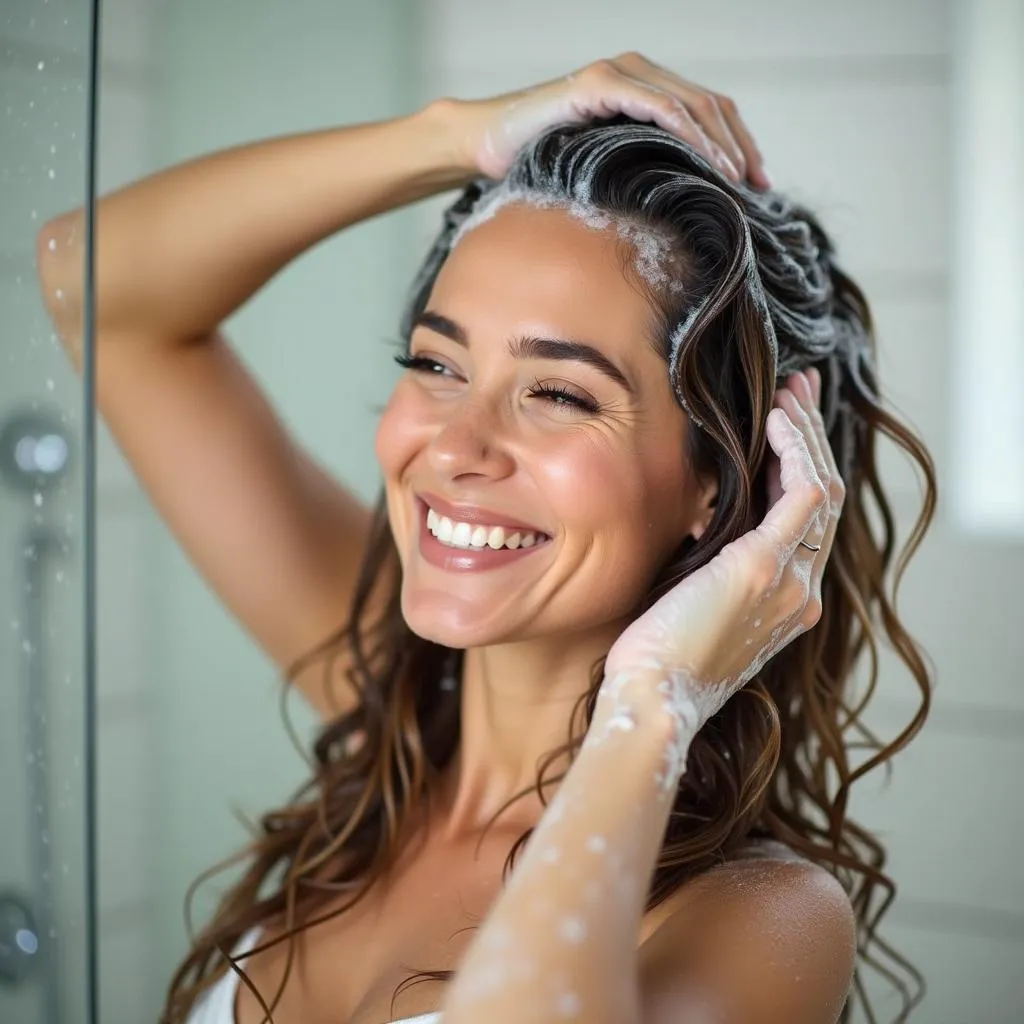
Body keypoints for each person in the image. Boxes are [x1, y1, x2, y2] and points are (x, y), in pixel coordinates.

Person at [37, 53, 935, 1024]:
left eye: (558, 392)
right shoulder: (389, 696)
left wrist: (655, 700)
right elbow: (91, 283)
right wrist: (449, 138)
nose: (455, 447)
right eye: (436, 361)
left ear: (721, 484)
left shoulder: (759, 917)